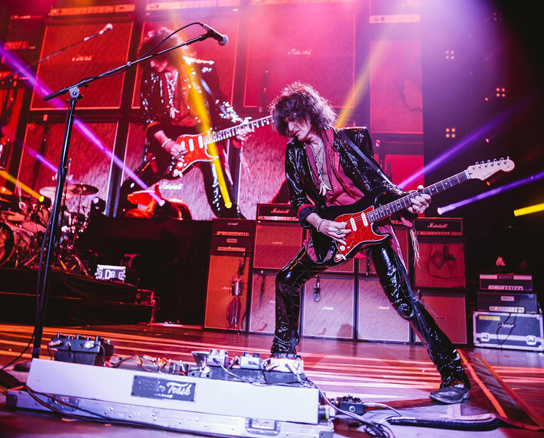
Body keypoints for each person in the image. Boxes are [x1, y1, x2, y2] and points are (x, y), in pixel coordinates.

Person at [268, 82, 470, 404]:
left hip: (371, 228)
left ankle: (454, 372)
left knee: (404, 302)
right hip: (332, 231)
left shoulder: (352, 139)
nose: (290, 128)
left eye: (293, 118)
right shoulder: (294, 152)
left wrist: (409, 203)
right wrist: (321, 223)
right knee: (286, 279)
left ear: (309, 111)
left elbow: (379, 185)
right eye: (285, 123)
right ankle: (284, 359)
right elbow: (298, 201)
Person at [119, 27, 248, 218]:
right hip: (169, 140)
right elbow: (147, 115)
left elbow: (219, 102)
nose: (152, 64)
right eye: (149, 59)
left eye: (156, 58)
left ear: (169, 52)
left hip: (204, 140)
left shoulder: (202, 70)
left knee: (222, 204)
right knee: (128, 190)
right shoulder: (151, 75)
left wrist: (236, 124)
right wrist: (166, 143)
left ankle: (244, 234)